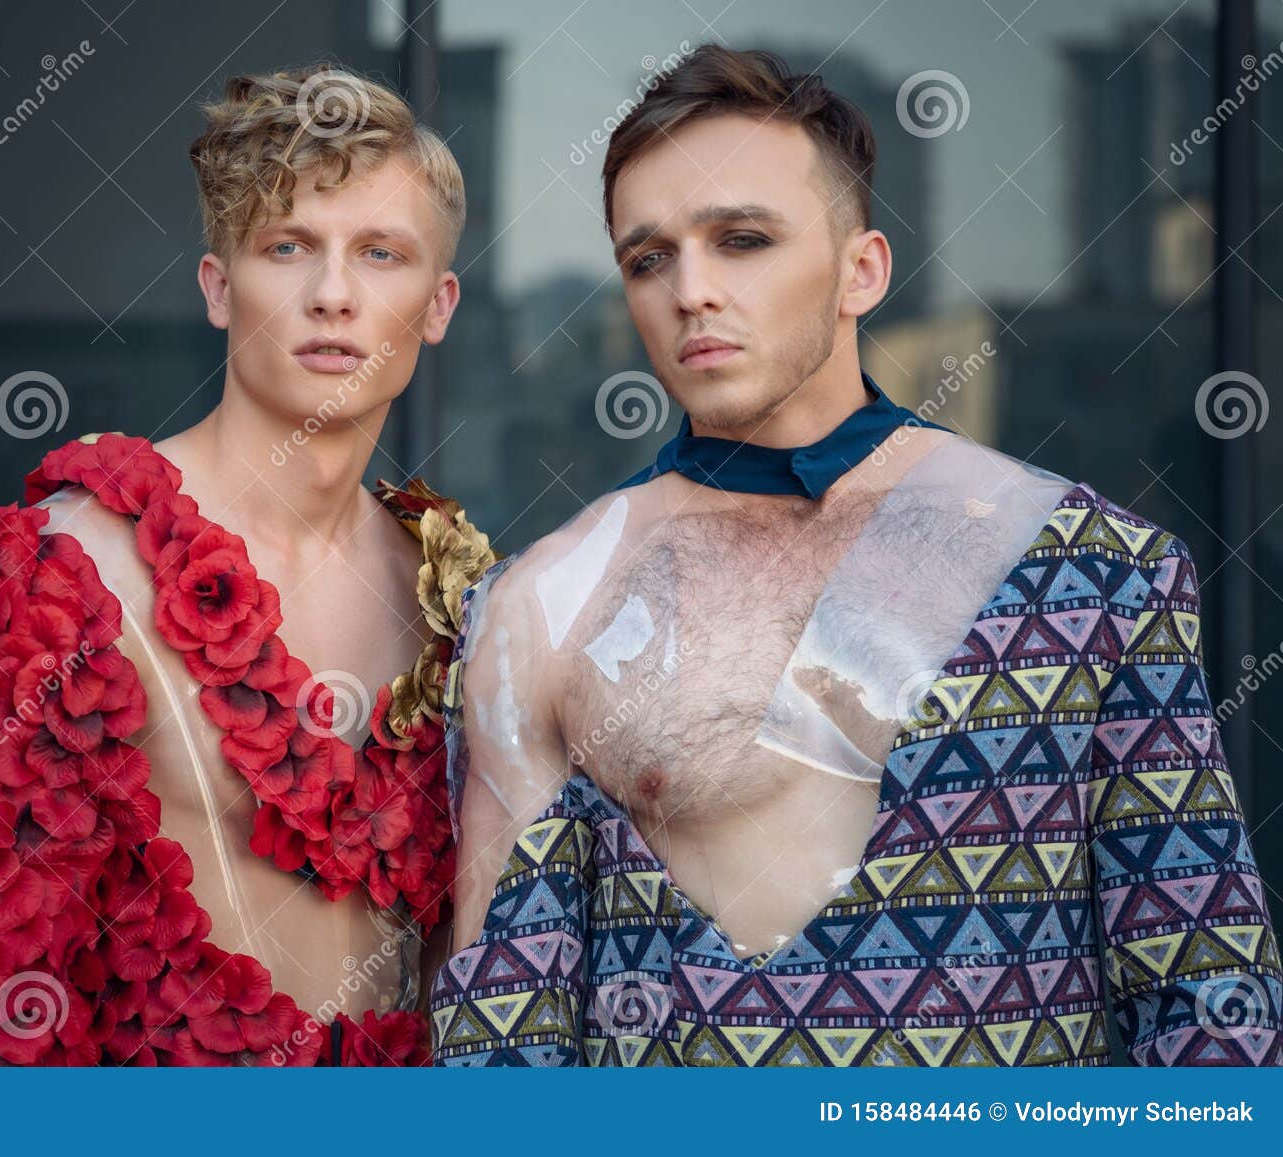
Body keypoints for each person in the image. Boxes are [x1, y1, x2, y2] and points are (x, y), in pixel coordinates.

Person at [428, 45, 1282, 1066]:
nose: (690, 290)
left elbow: (1209, 1002)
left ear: (860, 270)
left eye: (741, 239)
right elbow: (498, 1047)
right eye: (648, 257)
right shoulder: (541, 606)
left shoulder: (1096, 567)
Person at [0, 63, 496, 1066]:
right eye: (288, 248)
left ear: (438, 302)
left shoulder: (459, 592)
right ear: (218, 288)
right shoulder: (63, 572)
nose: (332, 294)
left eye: (380, 253)